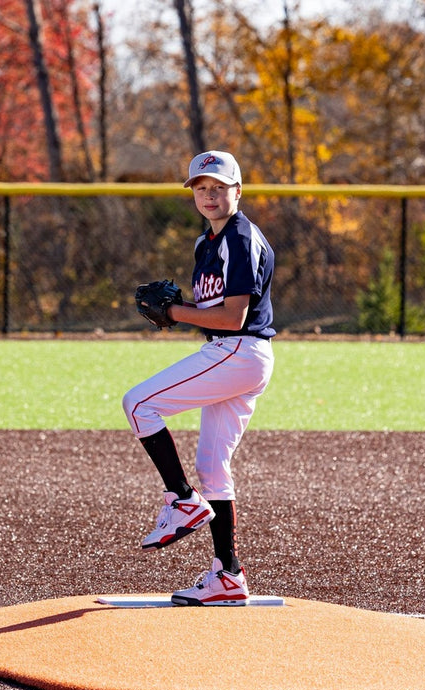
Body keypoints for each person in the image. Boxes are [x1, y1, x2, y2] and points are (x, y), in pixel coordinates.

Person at [122, 150, 276, 606]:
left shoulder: (241, 238)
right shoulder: (204, 243)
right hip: (234, 353)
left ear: (238, 191)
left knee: (138, 403)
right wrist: (183, 308)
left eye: (219, 186)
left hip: (237, 349)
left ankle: (181, 499)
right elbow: (211, 310)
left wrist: (172, 311)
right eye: (200, 188)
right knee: (213, 467)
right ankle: (228, 576)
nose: (209, 195)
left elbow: (233, 317)